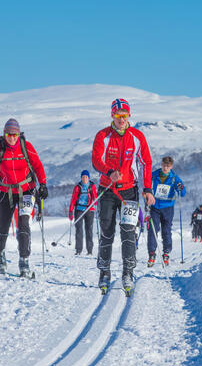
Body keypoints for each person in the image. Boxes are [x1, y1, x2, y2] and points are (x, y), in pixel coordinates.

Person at [92, 98, 154, 295]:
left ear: (129, 116)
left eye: (124, 115)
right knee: (107, 232)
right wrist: (109, 171)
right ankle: (104, 272)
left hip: (129, 190)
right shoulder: (103, 136)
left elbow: (146, 163)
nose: (121, 119)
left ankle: (128, 272)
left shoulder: (137, 136)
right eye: (118, 115)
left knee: (128, 232)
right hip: (107, 190)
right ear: (112, 115)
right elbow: (96, 160)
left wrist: (148, 189)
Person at [0, 118, 47, 277]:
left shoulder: (26, 147)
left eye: (14, 134)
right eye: (8, 134)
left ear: (19, 134)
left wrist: (43, 184)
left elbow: (37, 165)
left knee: (24, 224)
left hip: (26, 190)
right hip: (6, 191)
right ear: (4, 134)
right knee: (3, 224)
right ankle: (0, 254)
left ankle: (24, 261)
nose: (11, 137)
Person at [147, 156, 186, 267]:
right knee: (153, 230)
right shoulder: (154, 174)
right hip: (155, 207)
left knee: (166, 231)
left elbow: (182, 193)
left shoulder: (174, 178)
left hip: (168, 207)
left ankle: (166, 253)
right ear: (161, 164)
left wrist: (180, 187)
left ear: (171, 166)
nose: (165, 168)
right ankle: (151, 254)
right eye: (164, 165)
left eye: (168, 166)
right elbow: (146, 184)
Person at [68, 170, 98, 255]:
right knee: (79, 230)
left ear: (89, 178)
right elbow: (73, 200)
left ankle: (89, 251)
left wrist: (95, 202)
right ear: (81, 178)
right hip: (79, 210)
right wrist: (70, 211)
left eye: (86, 177)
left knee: (89, 230)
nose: (85, 179)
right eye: (83, 177)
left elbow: (95, 198)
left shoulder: (92, 186)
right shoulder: (78, 187)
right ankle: (78, 250)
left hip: (89, 210)